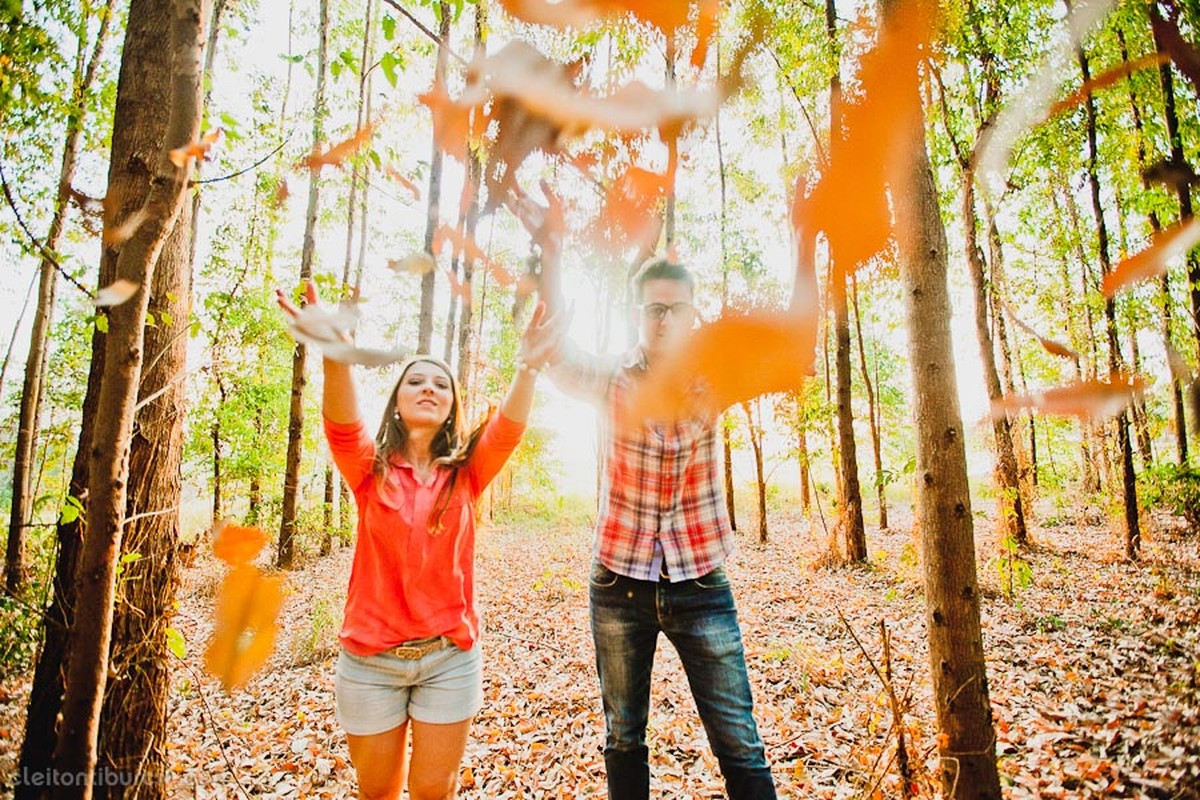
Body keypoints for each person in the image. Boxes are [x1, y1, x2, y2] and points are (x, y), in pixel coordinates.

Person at [277, 280, 565, 800]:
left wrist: (528, 368)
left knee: (436, 791)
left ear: (453, 405)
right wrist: (336, 357)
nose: (429, 388)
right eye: (416, 382)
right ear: (396, 402)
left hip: (448, 660)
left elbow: (505, 431)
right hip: (369, 663)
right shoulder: (370, 470)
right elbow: (342, 427)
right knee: (379, 793)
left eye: (441, 383)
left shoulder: (468, 473)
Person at [545, 257, 778, 799]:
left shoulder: (717, 376)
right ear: (638, 314)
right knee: (623, 736)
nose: (665, 320)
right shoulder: (611, 376)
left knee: (740, 741)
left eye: (676, 309)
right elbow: (554, 355)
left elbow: (785, 353)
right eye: (654, 309)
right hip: (618, 583)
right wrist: (550, 264)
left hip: (700, 582)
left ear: (692, 314)